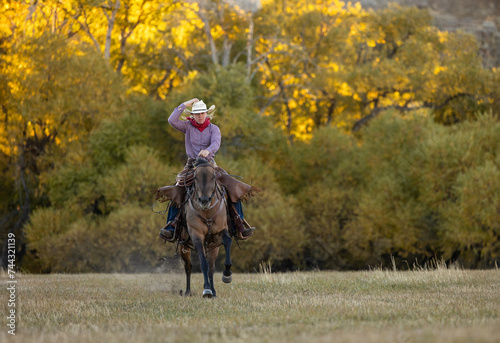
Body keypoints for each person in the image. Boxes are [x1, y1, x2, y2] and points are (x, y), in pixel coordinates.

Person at [159, 98, 255, 241]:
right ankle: (172, 227)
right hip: (192, 165)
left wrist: (208, 151)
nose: (200, 116)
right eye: (197, 113)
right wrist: (186, 103)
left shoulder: (214, 129)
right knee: (177, 189)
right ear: (193, 115)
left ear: (206, 114)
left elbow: (216, 143)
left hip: (210, 164)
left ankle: (239, 223)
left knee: (232, 187)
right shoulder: (187, 127)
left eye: (202, 113)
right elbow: (172, 120)